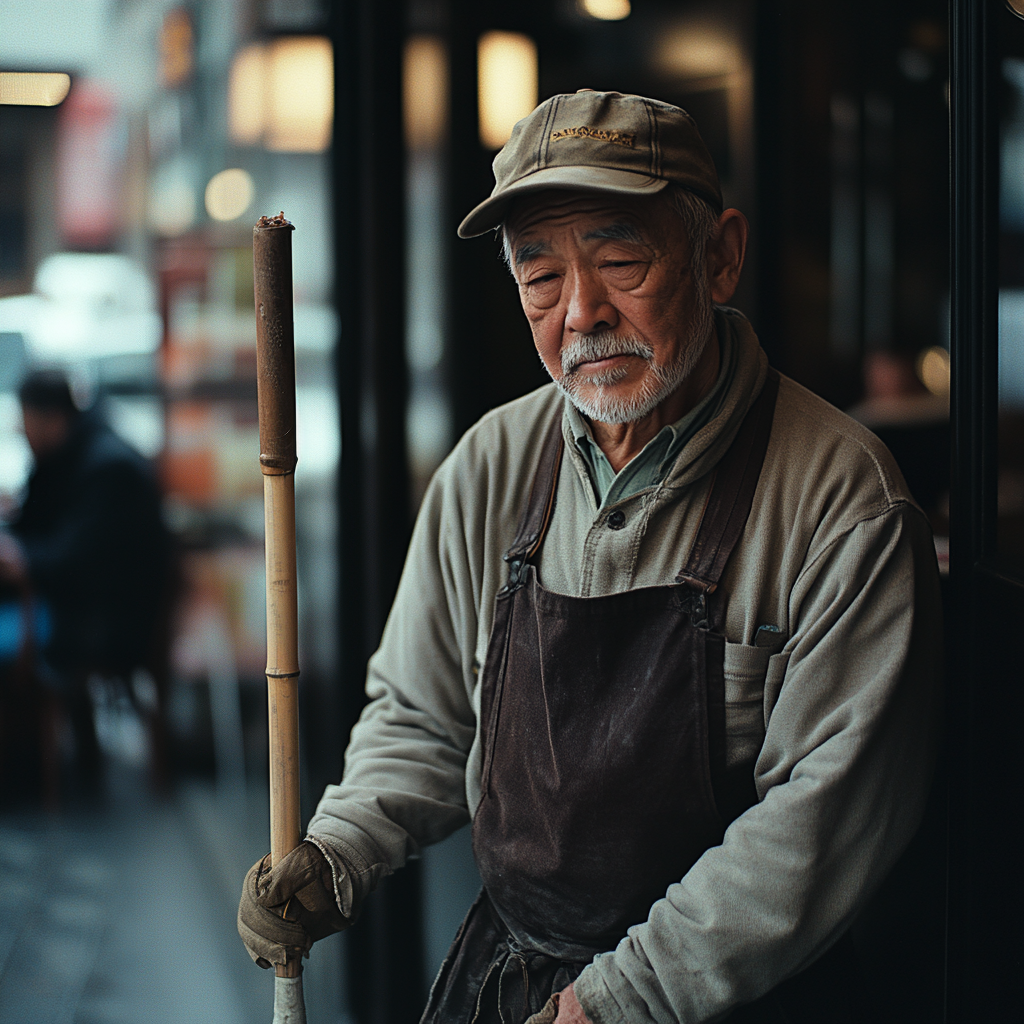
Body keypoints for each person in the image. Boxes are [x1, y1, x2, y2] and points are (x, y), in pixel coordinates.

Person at [238, 91, 942, 1023]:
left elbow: (817, 829)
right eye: (539, 277)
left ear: (720, 255)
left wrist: (612, 1005)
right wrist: (336, 850)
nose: (581, 312)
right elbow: (421, 715)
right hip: (511, 979)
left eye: (620, 259)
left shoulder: (842, 503)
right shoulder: (490, 466)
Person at [0, 369, 173, 794]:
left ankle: (21, 774)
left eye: (24, 423)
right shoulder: (80, 455)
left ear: (47, 418)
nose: (22, 434)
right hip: (89, 609)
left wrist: (19, 557)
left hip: (106, 625)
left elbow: (70, 560)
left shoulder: (105, 467)